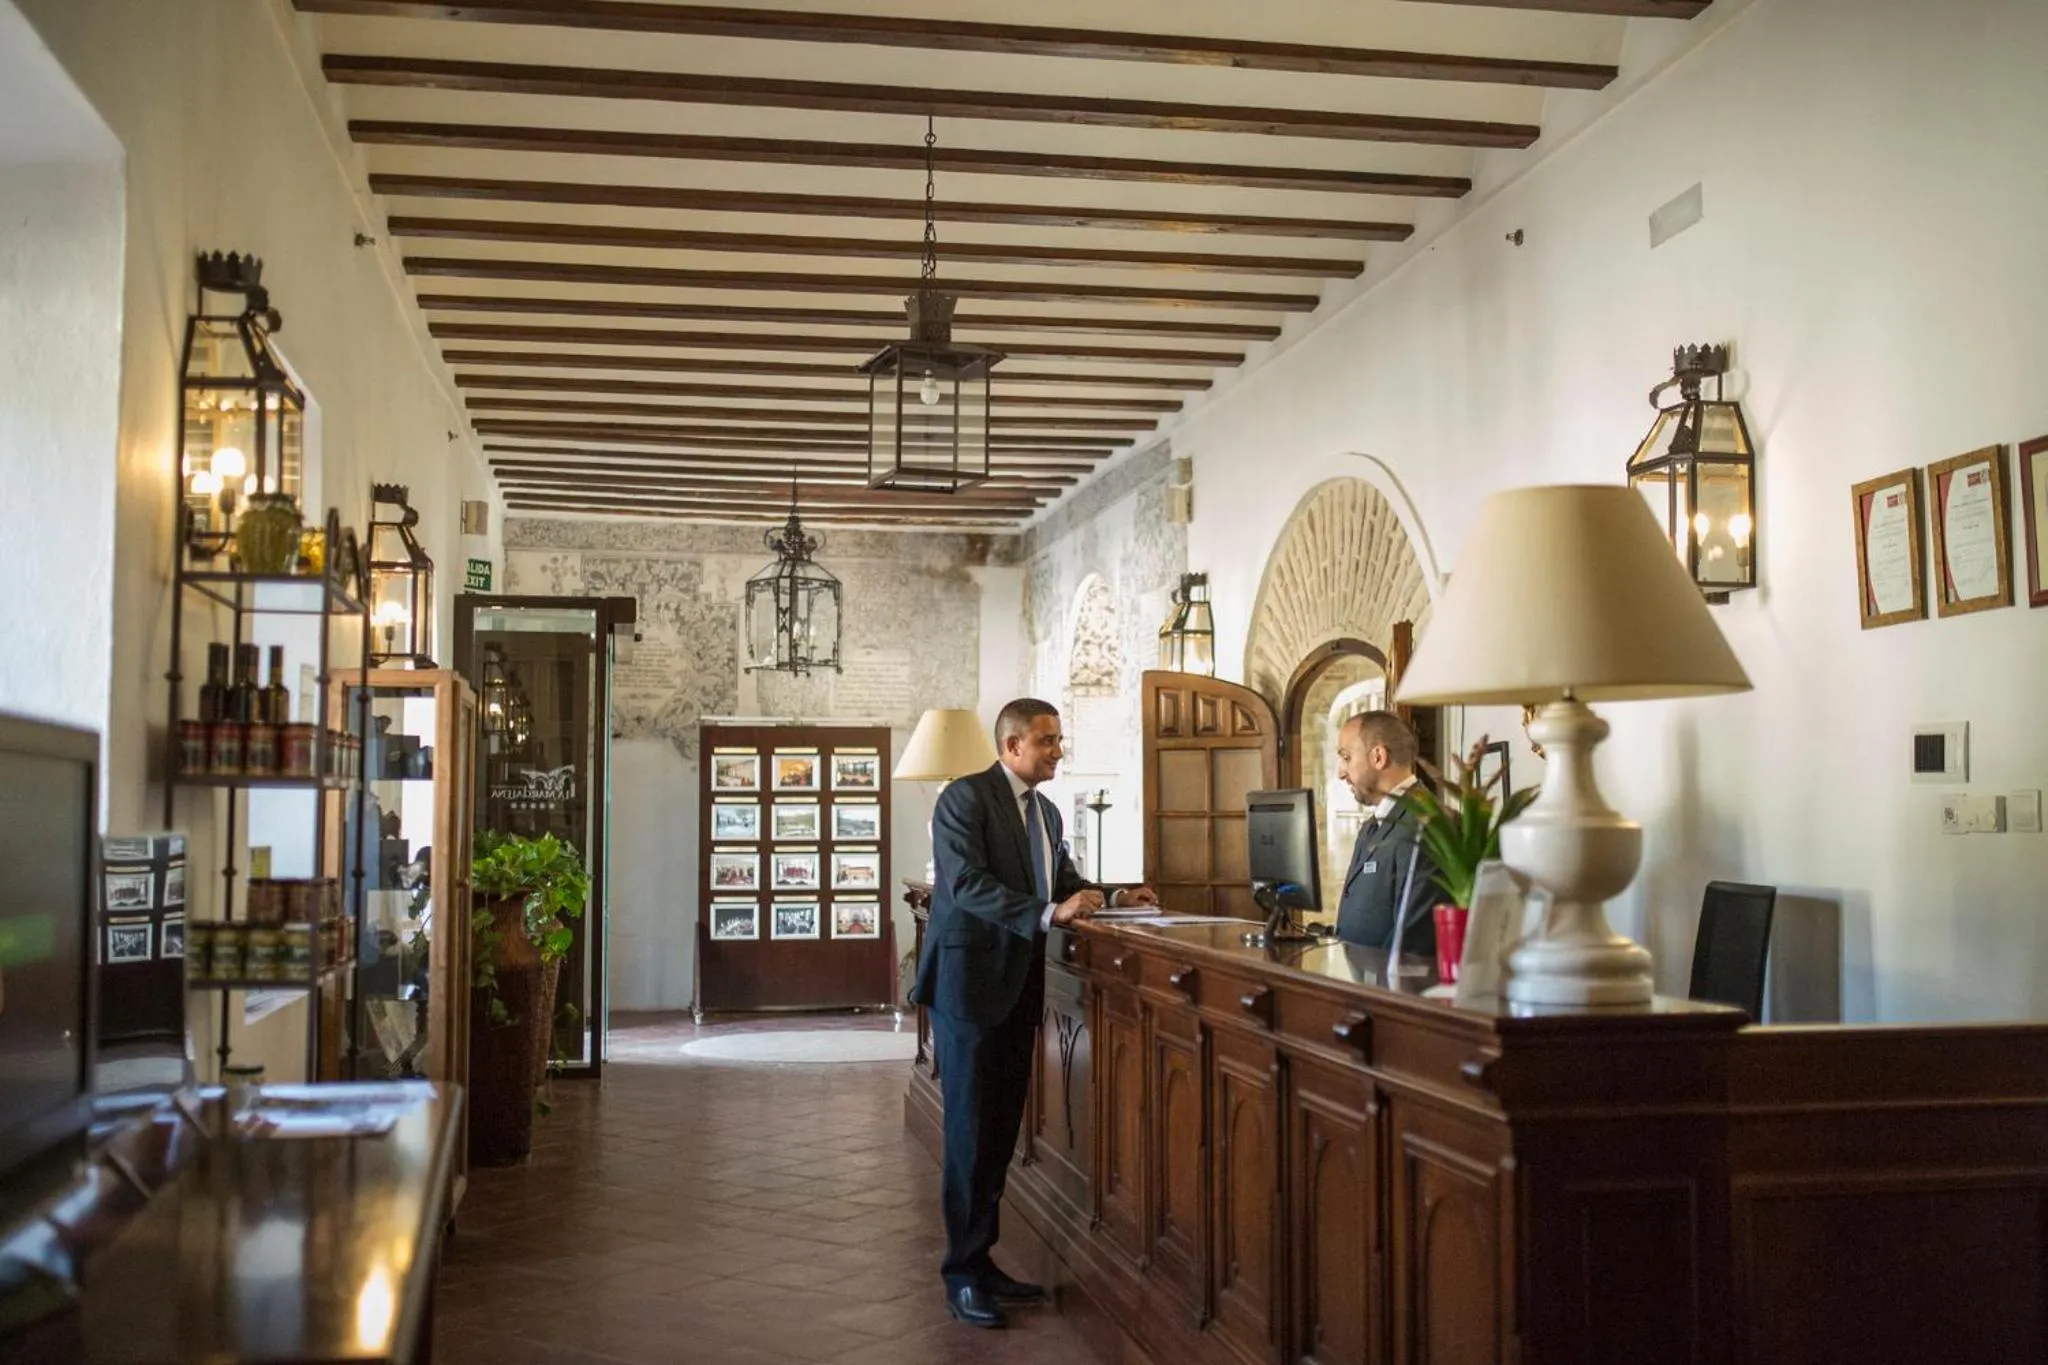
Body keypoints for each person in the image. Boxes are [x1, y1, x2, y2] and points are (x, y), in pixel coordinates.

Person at [909, 698, 1157, 1329]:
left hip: (1019, 989)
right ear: (1012, 745)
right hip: (969, 990)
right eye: (1047, 741)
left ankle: (983, 1260)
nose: (1058, 750)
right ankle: (961, 1274)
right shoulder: (965, 800)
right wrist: (1047, 915)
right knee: (969, 1134)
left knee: (998, 1133)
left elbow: (1063, 882)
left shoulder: (1045, 811)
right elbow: (965, 886)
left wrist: (1116, 894)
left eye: (1059, 739)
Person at [1332, 710, 1439, 962]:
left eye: (1346, 757)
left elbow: (1412, 938)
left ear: (1378, 757)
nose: (1340, 772)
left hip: (1387, 993)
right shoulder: (1371, 826)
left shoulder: (1426, 823)